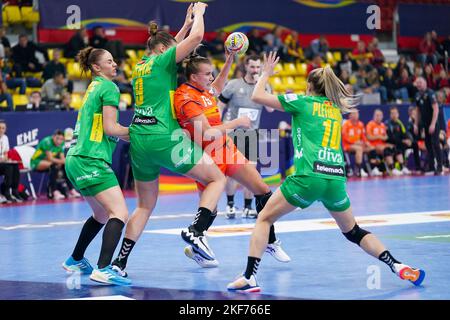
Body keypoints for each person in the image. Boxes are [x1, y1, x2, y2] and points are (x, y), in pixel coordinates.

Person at [227, 52, 425, 292]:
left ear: (310, 86)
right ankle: (397, 265)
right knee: (353, 231)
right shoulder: (334, 110)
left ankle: (249, 276)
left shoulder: (302, 102)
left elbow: (257, 96)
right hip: (336, 178)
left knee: (265, 218)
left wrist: (265, 74)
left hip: (309, 178)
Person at [111, 3, 227, 274]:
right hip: (164, 137)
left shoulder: (141, 65)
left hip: (139, 139)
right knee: (216, 178)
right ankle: (197, 231)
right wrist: (199, 14)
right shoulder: (163, 60)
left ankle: (120, 262)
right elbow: (196, 39)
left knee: (144, 205)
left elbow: (174, 43)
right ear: (165, 51)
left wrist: (184, 24)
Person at [174, 52, 290, 267]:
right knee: (212, 209)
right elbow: (207, 133)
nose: (212, 77)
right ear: (193, 77)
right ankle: (196, 237)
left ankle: (271, 241)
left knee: (262, 189)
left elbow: (218, 85)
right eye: (207, 74)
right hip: (206, 155)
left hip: (226, 148)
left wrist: (229, 60)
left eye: (212, 73)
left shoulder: (205, 90)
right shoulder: (186, 97)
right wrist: (237, 122)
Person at [62, 46, 131, 285]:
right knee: (119, 213)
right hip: (90, 159)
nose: (115, 64)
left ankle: (76, 259)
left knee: (101, 214)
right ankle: (104, 268)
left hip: (75, 159)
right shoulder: (109, 87)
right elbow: (112, 129)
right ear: (96, 67)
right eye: (109, 61)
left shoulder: (94, 88)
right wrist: (140, 133)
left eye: (114, 60)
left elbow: (106, 130)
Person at [218, 54, 274, 218]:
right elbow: (220, 105)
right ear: (246, 67)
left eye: (258, 67)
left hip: (252, 135)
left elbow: (270, 109)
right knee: (233, 172)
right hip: (234, 134)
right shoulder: (234, 85)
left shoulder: (262, 86)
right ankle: (230, 204)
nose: (255, 70)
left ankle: (248, 207)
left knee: (251, 171)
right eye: (252, 67)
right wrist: (220, 127)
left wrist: (265, 85)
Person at [30, 130, 80, 199]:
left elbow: (62, 158)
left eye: (61, 139)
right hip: (36, 162)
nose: (59, 141)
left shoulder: (61, 143)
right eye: (57, 138)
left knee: (64, 166)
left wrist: (66, 163)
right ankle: (54, 192)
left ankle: (72, 190)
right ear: (53, 137)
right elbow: (50, 159)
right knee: (53, 166)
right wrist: (62, 161)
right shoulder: (47, 141)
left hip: (49, 162)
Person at [413, 77, 443, 175]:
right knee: (428, 145)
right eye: (417, 83)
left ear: (425, 83)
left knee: (435, 143)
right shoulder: (417, 95)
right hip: (424, 124)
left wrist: (433, 124)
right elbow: (417, 111)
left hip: (433, 123)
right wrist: (416, 124)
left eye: (420, 82)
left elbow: (436, 109)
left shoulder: (430, 93)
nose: (419, 84)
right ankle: (431, 167)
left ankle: (439, 166)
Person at [366, 109, 397, 176]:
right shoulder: (370, 125)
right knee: (385, 150)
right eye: (377, 115)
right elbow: (369, 137)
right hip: (373, 146)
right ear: (374, 116)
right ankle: (392, 168)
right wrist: (379, 136)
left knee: (392, 147)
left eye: (380, 115)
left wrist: (380, 137)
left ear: (382, 116)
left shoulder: (383, 125)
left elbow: (385, 137)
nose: (378, 117)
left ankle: (396, 167)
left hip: (382, 145)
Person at [341, 110, 371, 177]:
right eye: (353, 114)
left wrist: (366, 143)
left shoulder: (360, 124)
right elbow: (345, 136)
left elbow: (363, 136)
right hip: (348, 145)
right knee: (359, 149)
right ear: (350, 115)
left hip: (358, 145)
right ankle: (359, 171)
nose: (355, 115)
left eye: (356, 113)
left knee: (370, 148)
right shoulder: (346, 124)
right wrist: (355, 142)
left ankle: (374, 167)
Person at [0, 120, 23, 202]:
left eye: (3, 128)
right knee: (8, 167)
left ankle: (14, 191)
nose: (1, 130)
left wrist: (6, 158)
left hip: (3, 163)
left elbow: (6, 152)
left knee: (15, 165)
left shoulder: (5, 138)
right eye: (0, 128)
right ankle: (6, 192)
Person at [385, 106, 412, 175]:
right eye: (392, 113)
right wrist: (403, 141)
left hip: (399, 143)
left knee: (412, 145)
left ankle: (403, 167)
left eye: (395, 113)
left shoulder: (399, 123)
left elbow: (405, 133)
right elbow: (390, 138)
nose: (394, 115)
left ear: (398, 114)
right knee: (392, 149)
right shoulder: (387, 124)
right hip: (390, 144)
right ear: (390, 115)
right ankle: (392, 169)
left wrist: (409, 140)